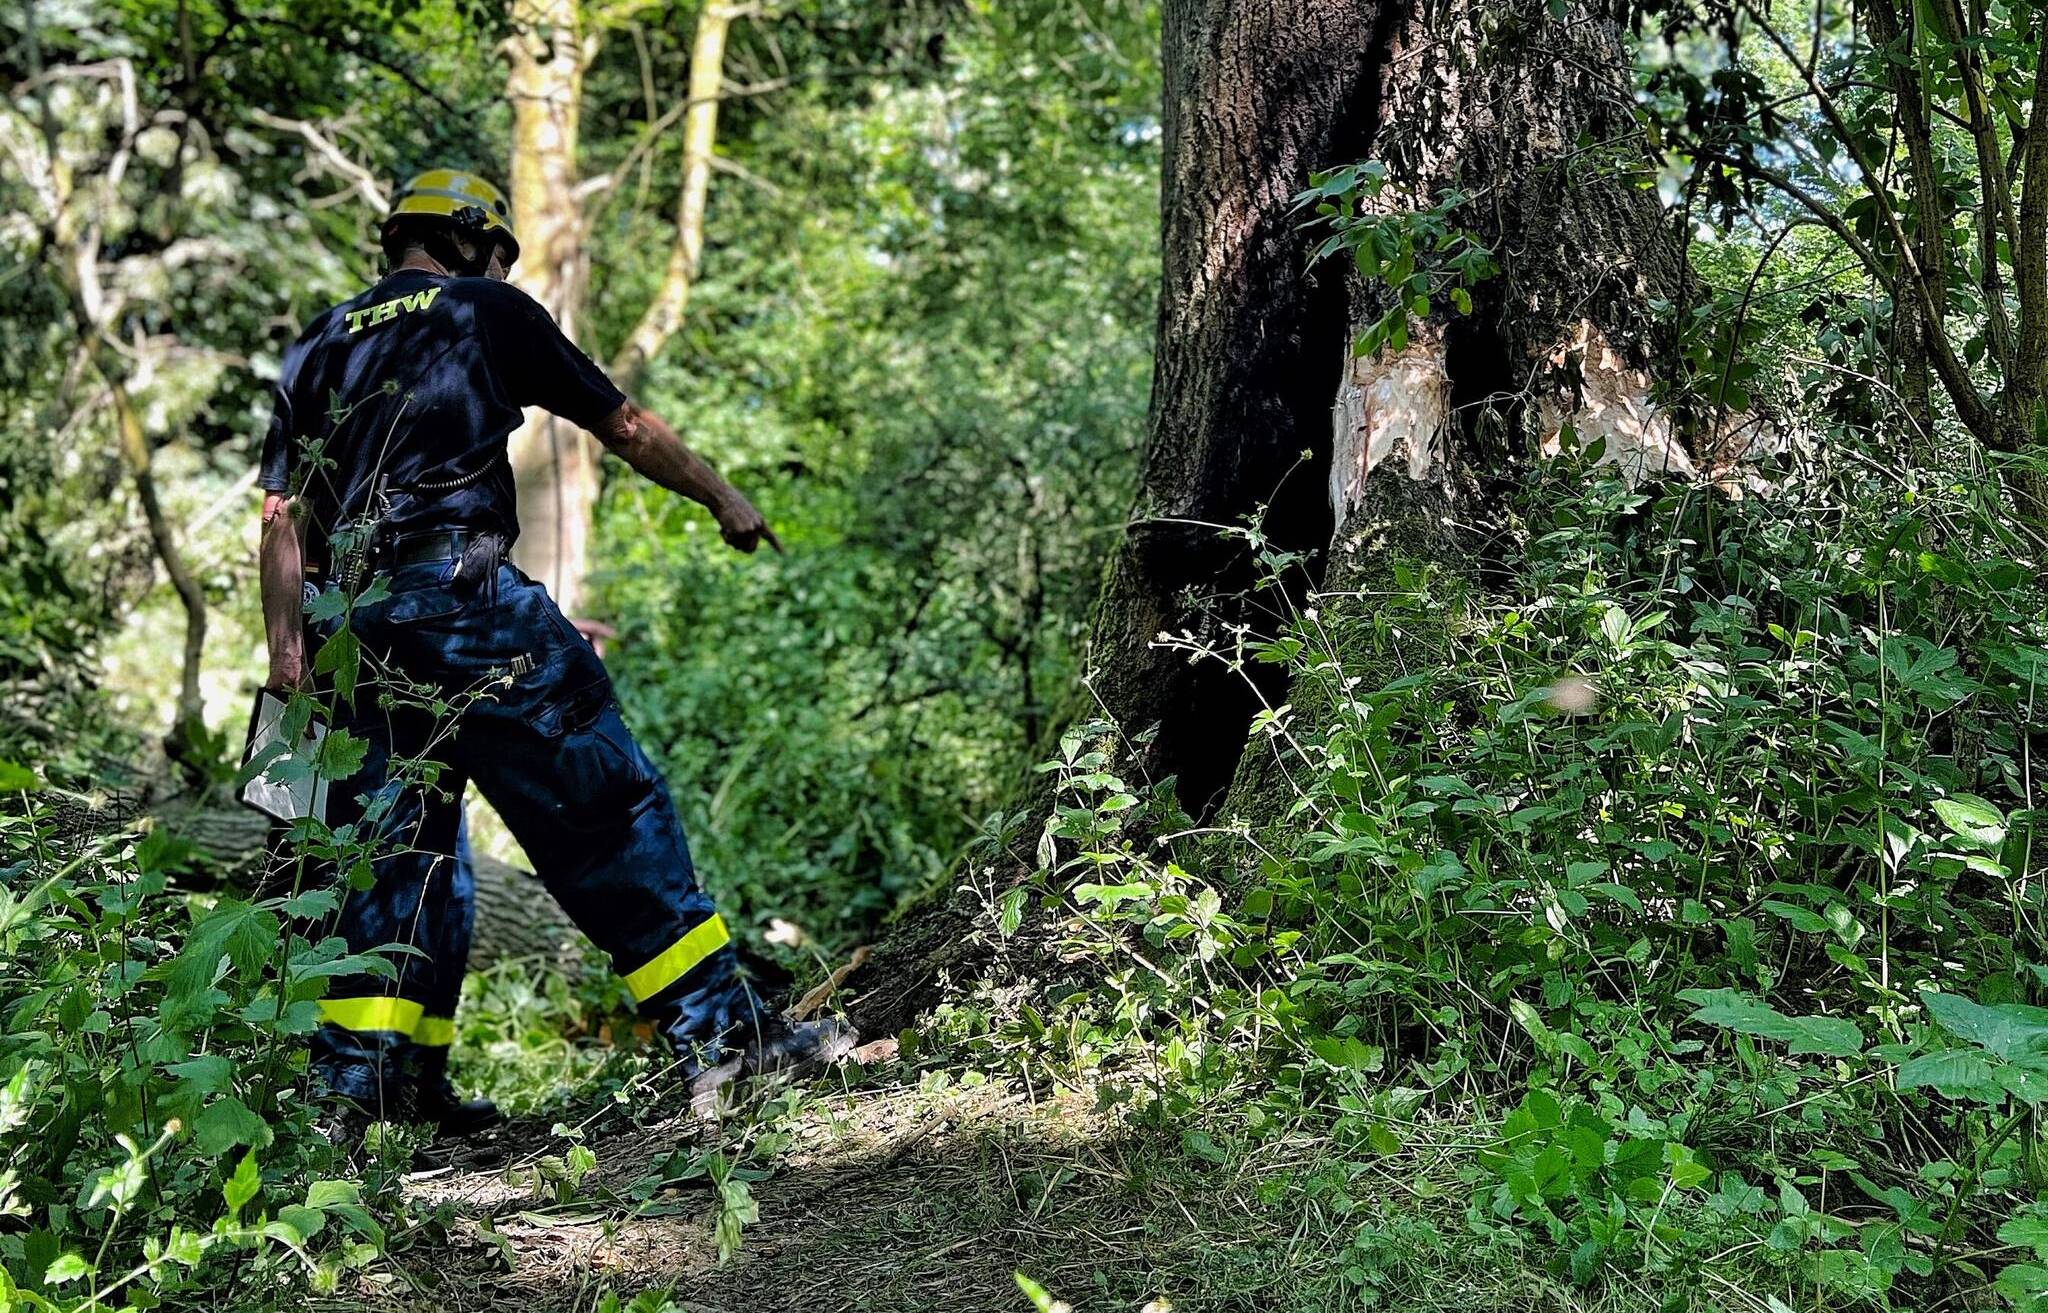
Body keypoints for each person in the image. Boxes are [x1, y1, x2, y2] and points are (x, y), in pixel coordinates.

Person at [257, 168, 853, 1132]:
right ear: (465, 238)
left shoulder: (317, 343)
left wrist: (289, 656)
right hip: (464, 601)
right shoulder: (483, 308)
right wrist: (721, 497)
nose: (499, 266)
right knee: (607, 810)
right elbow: (621, 424)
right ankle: (727, 1040)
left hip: (348, 632)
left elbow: (284, 518)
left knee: (394, 861)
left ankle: (364, 1095)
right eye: (495, 250)